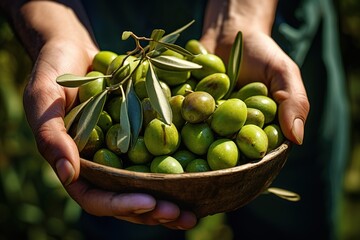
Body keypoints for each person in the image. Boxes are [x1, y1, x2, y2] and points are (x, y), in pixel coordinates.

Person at [0, 0, 349, 239]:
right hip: (98, 32)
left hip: (270, 19)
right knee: (126, 223)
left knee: (293, 226)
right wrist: (56, 31)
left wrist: (241, 17)